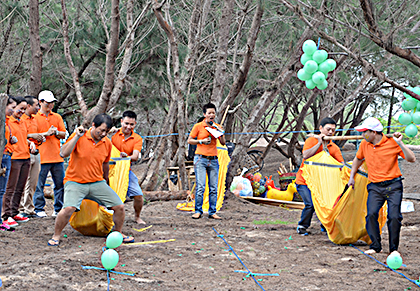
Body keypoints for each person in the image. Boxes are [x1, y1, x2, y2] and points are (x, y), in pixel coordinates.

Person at [48, 114, 134, 246]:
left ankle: (118, 233)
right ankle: (56, 235)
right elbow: (63, 153)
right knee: (68, 208)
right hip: (75, 181)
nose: (103, 134)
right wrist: (76, 136)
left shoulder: (107, 143)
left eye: (106, 131)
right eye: (101, 130)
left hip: (96, 182)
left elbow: (105, 164)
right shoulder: (80, 136)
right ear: (93, 125)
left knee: (119, 206)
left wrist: (106, 181)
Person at [347, 117, 415, 256]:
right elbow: (358, 159)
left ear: (374, 132)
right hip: (375, 186)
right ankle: (376, 246)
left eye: (364, 132)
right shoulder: (364, 145)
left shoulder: (392, 143)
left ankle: (393, 248)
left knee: (394, 216)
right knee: (371, 214)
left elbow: (411, 158)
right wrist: (351, 177)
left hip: (393, 185)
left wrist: (400, 143)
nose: (362, 135)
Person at [295, 117, 344, 236]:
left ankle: (325, 225)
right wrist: (319, 143)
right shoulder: (311, 140)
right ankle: (302, 225)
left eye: (333, 130)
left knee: (329, 203)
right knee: (310, 204)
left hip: (323, 184)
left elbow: (341, 164)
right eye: (328, 129)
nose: (331, 132)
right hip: (304, 181)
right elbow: (306, 155)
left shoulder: (334, 147)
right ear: (320, 128)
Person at [2, 97, 36, 227]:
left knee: (20, 187)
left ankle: (15, 211)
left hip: (25, 157)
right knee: (10, 188)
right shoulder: (7, 121)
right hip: (14, 157)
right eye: (19, 108)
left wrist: (30, 144)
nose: (22, 111)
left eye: (23, 109)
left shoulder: (22, 122)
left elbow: (23, 138)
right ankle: (6, 214)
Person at [187, 103, 226, 220]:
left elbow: (223, 142)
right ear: (205, 114)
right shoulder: (198, 126)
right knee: (201, 186)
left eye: (213, 113)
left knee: (213, 187)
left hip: (213, 160)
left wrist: (222, 132)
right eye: (209, 113)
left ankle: (212, 212)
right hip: (200, 159)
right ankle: (198, 211)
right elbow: (189, 140)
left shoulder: (216, 126)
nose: (211, 115)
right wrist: (201, 141)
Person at [33, 90, 66, 218]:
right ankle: (39, 208)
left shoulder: (57, 117)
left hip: (57, 156)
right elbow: (32, 136)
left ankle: (58, 208)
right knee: (38, 185)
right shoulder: (34, 118)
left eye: (52, 103)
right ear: (40, 102)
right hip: (42, 156)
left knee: (59, 184)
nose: (50, 105)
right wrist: (46, 133)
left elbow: (63, 133)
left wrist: (56, 132)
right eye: (48, 103)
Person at [111, 111, 146, 224]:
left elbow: (135, 156)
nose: (128, 127)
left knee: (138, 195)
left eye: (131, 124)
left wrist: (127, 157)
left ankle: (137, 217)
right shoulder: (113, 134)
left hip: (126, 170)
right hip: (109, 170)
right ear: (121, 122)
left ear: (135, 124)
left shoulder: (137, 138)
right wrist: (108, 132)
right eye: (126, 123)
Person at [18, 96, 45, 218]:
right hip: (24, 153)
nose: (38, 108)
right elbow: (21, 136)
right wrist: (31, 139)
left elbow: (35, 136)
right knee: (24, 181)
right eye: (36, 105)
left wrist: (40, 138)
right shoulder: (20, 119)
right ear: (29, 106)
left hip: (36, 152)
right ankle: (21, 208)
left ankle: (29, 208)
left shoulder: (35, 119)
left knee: (33, 182)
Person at [0, 97, 18, 230]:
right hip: (3, 157)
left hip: (8, 155)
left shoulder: (6, 122)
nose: (13, 110)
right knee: (1, 191)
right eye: (11, 107)